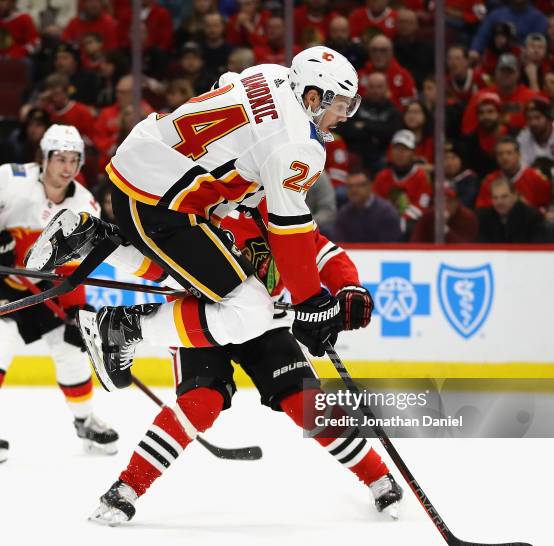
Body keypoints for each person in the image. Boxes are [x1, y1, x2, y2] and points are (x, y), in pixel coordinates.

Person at [28, 47, 362, 395]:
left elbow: (223, 92)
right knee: (251, 311)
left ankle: (90, 237)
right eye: (340, 104)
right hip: (163, 202)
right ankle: (122, 328)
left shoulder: (270, 74)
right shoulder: (300, 145)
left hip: (143, 164)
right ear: (313, 97)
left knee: (183, 275)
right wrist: (310, 301)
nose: (345, 115)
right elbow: (290, 231)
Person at [87, 200, 403, 524]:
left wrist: (348, 286)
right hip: (200, 317)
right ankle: (126, 488)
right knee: (200, 403)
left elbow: (322, 252)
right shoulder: (205, 197)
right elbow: (159, 254)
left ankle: (378, 477)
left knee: (306, 402)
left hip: (264, 323)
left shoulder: (278, 201)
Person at [0, 125, 118, 458]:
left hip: (44, 291)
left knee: (70, 352)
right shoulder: (10, 178)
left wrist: (75, 311)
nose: (67, 167)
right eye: (60, 158)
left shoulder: (85, 205)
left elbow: (72, 271)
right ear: (44, 157)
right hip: (4, 284)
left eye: (73, 160)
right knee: (0, 344)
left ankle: (85, 421)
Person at [372, 129, 432, 236]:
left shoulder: (422, 176)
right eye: (397, 149)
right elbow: (376, 204)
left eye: (405, 149)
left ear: (413, 153)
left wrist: (401, 221)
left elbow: (422, 206)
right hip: (384, 222)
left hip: (411, 223)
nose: (400, 153)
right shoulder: (382, 176)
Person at [476, 136, 551, 211]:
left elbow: (545, 207)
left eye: (509, 153)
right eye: (500, 154)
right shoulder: (489, 181)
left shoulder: (535, 178)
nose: (504, 157)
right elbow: (482, 210)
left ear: (519, 155)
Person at [333, 171, 402, 242]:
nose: (354, 190)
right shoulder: (343, 214)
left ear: (370, 185)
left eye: (359, 185)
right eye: (350, 186)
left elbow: (389, 247)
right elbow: (340, 244)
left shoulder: (386, 212)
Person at [477, 177, 547, 242]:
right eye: (495, 197)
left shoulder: (532, 217)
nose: (499, 202)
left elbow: (537, 250)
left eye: (504, 196)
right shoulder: (484, 218)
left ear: (515, 195)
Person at [411, 181, 479, 243]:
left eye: (449, 201)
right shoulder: (427, 216)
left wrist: (444, 229)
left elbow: (466, 249)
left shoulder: (467, 218)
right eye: (440, 201)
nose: (444, 205)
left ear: (456, 202)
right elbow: (416, 243)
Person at [517, 97, 554, 167]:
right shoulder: (523, 137)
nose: (533, 123)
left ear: (549, 118)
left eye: (537, 117)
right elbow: (523, 168)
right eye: (529, 119)